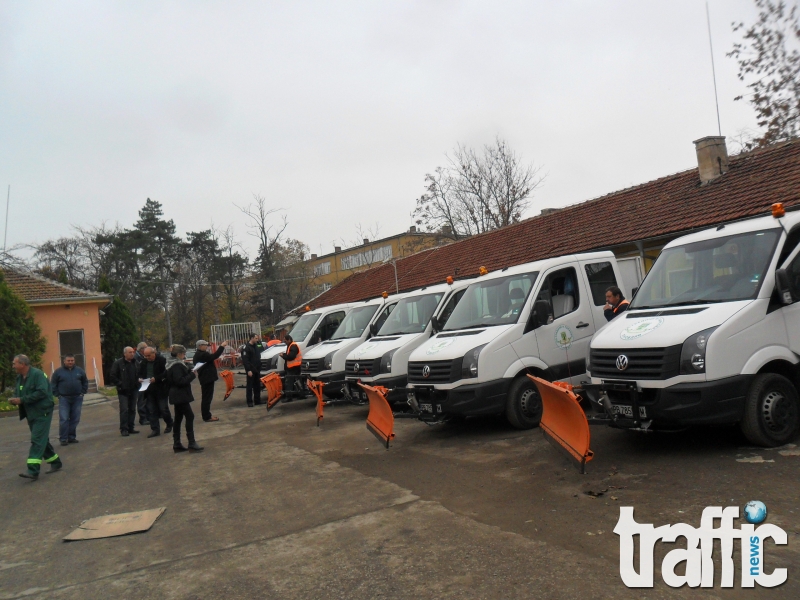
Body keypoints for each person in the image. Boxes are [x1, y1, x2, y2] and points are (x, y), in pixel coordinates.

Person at [8, 355, 63, 480]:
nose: (13, 366)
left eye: (14, 363)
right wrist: (15, 398)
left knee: (37, 439)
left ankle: (32, 470)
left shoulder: (38, 375)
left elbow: (42, 392)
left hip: (42, 412)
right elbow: (19, 392)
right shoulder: (20, 378)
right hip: (31, 413)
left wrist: (22, 400)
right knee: (41, 439)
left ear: (22, 364)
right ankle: (55, 462)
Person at [165, 345, 203, 453]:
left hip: (176, 394)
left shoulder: (171, 363)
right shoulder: (176, 365)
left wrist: (189, 370)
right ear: (179, 354)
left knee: (178, 418)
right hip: (179, 394)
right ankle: (191, 442)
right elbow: (179, 381)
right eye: (183, 354)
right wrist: (192, 375)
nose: (184, 356)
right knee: (189, 416)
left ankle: (177, 443)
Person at [51, 354, 89, 446]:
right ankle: (63, 438)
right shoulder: (58, 372)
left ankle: (71, 437)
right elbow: (53, 384)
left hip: (77, 398)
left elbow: (85, 382)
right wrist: (58, 395)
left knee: (75, 418)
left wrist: (82, 392)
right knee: (64, 418)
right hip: (64, 398)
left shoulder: (80, 371)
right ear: (64, 361)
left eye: (72, 360)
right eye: (68, 361)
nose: (70, 362)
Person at [138, 346, 174, 438]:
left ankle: (169, 423)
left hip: (161, 388)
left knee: (163, 409)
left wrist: (157, 379)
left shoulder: (162, 360)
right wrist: (140, 379)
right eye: (145, 356)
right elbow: (140, 373)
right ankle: (155, 429)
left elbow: (166, 373)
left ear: (154, 353)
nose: (147, 357)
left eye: (149, 355)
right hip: (149, 389)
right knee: (151, 410)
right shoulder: (143, 362)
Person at [193, 339, 229, 422]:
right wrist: (222, 346)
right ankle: (207, 416)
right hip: (206, 379)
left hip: (206, 378)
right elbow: (214, 356)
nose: (206, 346)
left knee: (207, 397)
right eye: (205, 345)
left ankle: (206, 415)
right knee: (207, 398)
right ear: (200, 346)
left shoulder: (200, 354)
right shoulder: (201, 355)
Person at [110, 347, 140, 436]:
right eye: (130, 352)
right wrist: (120, 384)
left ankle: (131, 427)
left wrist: (139, 382)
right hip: (123, 391)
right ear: (125, 354)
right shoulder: (118, 363)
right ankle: (124, 429)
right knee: (124, 410)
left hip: (134, 389)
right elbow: (112, 376)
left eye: (133, 352)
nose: (132, 354)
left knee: (132, 409)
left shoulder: (136, 363)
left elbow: (140, 373)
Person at [241, 332, 265, 407]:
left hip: (257, 369)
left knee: (257, 386)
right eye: (256, 338)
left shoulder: (256, 346)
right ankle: (249, 401)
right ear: (251, 338)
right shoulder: (246, 348)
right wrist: (248, 370)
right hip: (251, 370)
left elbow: (259, 354)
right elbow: (245, 360)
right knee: (250, 386)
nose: (257, 340)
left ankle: (257, 400)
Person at [134, 342, 149, 426]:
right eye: (146, 348)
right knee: (141, 400)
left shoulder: (143, 357)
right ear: (142, 349)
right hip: (140, 382)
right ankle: (143, 418)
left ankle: (147, 416)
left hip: (145, 381)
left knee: (146, 399)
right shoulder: (137, 358)